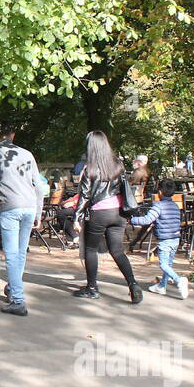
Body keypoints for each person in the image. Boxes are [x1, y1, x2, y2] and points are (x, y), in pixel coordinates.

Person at [73, 130, 143, 303]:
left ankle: (92, 288)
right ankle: (133, 285)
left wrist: (77, 217)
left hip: (99, 213)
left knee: (90, 249)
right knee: (117, 250)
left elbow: (85, 196)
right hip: (118, 213)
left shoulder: (90, 168)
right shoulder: (118, 164)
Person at [0, 123, 44, 316]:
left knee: (11, 253)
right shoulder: (28, 155)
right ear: (13, 135)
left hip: (10, 206)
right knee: (21, 252)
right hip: (29, 206)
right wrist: (38, 213)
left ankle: (18, 300)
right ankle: (13, 287)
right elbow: (39, 186)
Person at [129, 179, 187, 298]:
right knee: (168, 265)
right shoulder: (175, 206)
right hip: (175, 238)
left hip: (165, 240)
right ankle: (162, 286)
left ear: (159, 192)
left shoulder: (158, 206)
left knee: (164, 265)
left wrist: (132, 220)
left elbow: (147, 220)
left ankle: (179, 280)